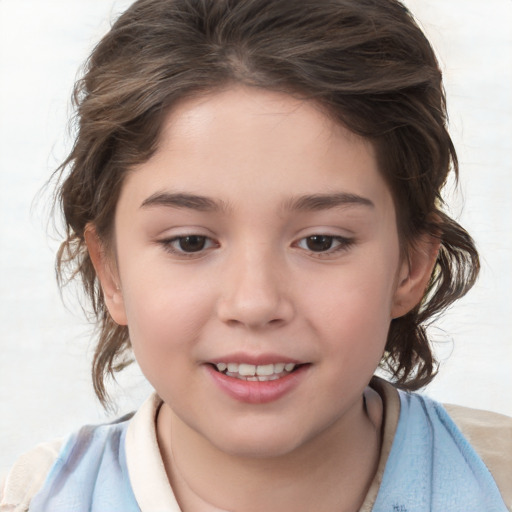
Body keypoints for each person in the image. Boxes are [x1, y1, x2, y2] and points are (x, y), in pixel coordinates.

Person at [1, 0, 511, 510]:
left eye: (321, 241)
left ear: (411, 265)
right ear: (109, 269)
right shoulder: (38, 497)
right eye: (190, 242)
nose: (253, 303)